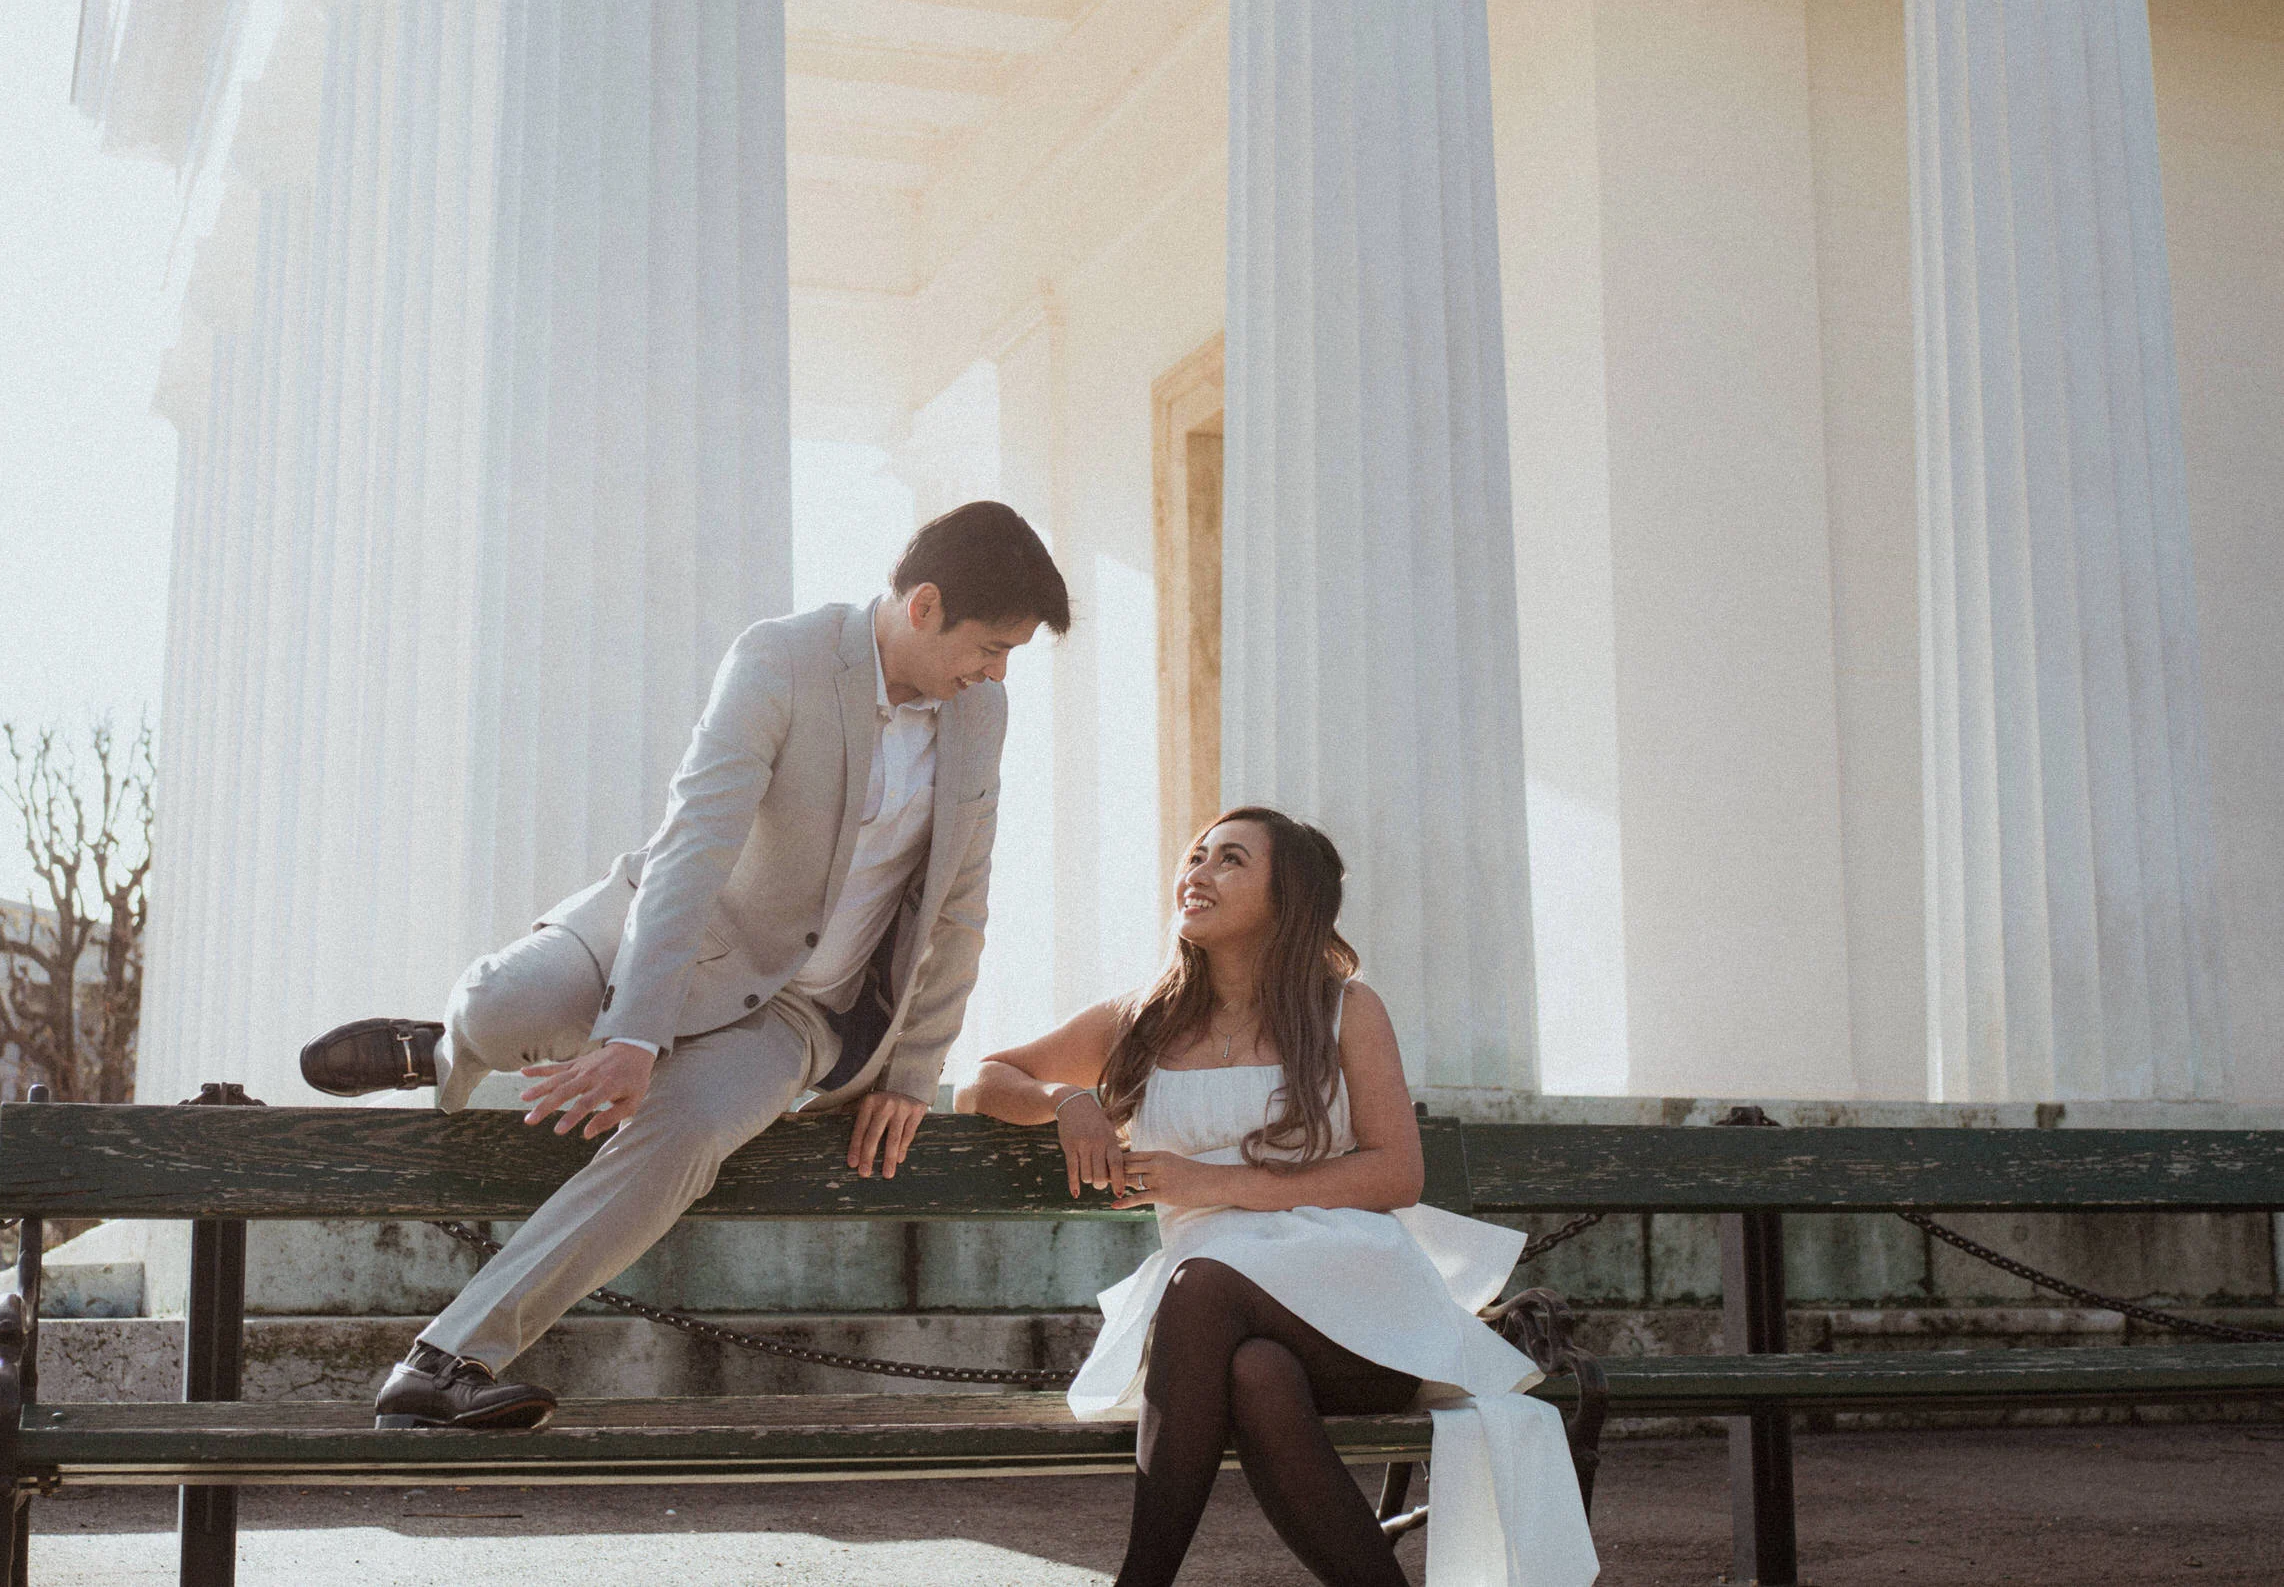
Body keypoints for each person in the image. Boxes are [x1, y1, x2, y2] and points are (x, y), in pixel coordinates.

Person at [298, 500, 1070, 1431]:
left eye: (1006, 659)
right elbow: (694, 848)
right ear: (925, 606)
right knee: (511, 1006)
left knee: (686, 1132)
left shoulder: (980, 712)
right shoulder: (780, 660)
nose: (992, 673)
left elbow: (960, 906)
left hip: (801, 1016)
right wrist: (633, 1032)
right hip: (683, 935)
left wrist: (913, 1071)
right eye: (989, 648)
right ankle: (443, 1045)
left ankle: (444, 1360)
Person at [956, 807, 1599, 1587]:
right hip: (1227, 1328)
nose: (1196, 873)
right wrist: (1068, 1100)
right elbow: (985, 1080)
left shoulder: (1345, 1009)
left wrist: (1219, 1185)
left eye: (1230, 861)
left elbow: (1398, 1174)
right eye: (1195, 857)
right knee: (1256, 1372)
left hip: (1363, 1313)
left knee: (1199, 1285)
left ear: (1287, 898)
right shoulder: (1140, 1021)